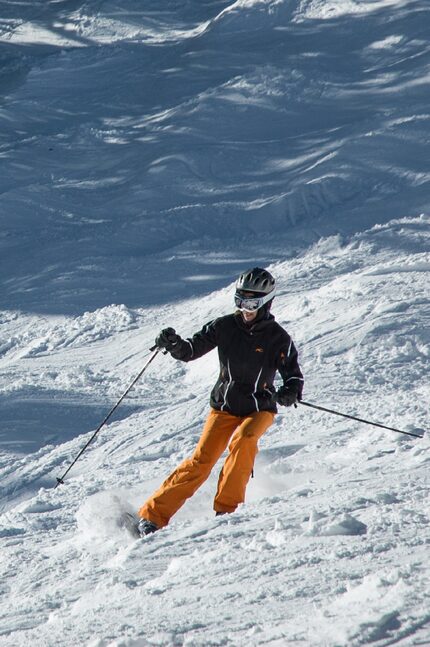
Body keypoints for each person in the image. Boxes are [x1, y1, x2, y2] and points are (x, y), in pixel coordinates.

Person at [137, 267, 304, 536]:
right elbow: (191, 350)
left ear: (266, 303)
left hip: (258, 407)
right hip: (224, 407)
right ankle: (152, 516)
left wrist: (289, 392)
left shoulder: (278, 338)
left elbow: (294, 377)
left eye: (251, 304)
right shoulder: (225, 326)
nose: (245, 309)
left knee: (245, 440)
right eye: (240, 302)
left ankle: (227, 511)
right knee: (201, 462)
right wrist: (174, 344)